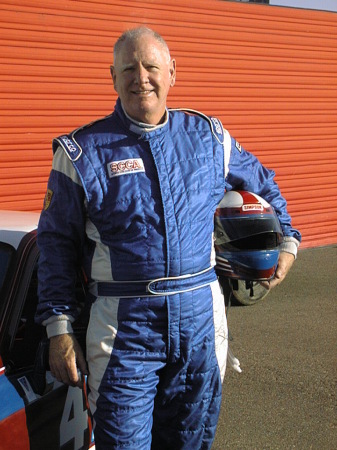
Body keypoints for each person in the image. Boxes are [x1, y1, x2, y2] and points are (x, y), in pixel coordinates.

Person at [36, 26, 301, 450]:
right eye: (129, 68)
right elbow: (55, 245)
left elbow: (264, 183)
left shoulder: (210, 139)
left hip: (200, 320)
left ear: (172, 73)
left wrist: (288, 241)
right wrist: (59, 329)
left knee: (191, 440)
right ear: (113, 77)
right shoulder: (81, 152)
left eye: (151, 66)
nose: (141, 76)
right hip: (124, 329)